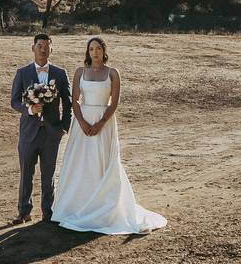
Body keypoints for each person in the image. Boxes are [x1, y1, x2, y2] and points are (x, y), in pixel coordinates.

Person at [51, 36, 167, 234]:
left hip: (104, 122)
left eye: (98, 49)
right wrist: (82, 122)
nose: (94, 52)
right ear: (87, 52)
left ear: (104, 51)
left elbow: (114, 103)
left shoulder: (113, 73)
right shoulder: (80, 71)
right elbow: (75, 101)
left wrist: (101, 123)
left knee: (103, 161)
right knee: (80, 162)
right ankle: (73, 207)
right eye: (91, 49)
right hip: (82, 122)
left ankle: (103, 207)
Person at [10, 33, 72, 224]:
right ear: (33, 48)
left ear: (51, 49)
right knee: (26, 171)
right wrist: (29, 109)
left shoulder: (60, 74)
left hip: (52, 132)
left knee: (49, 173)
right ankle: (24, 212)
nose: (43, 49)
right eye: (39, 46)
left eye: (46, 46)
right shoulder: (23, 72)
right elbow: (14, 101)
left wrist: (64, 127)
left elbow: (68, 103)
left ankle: (48, 211)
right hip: (29, 132)